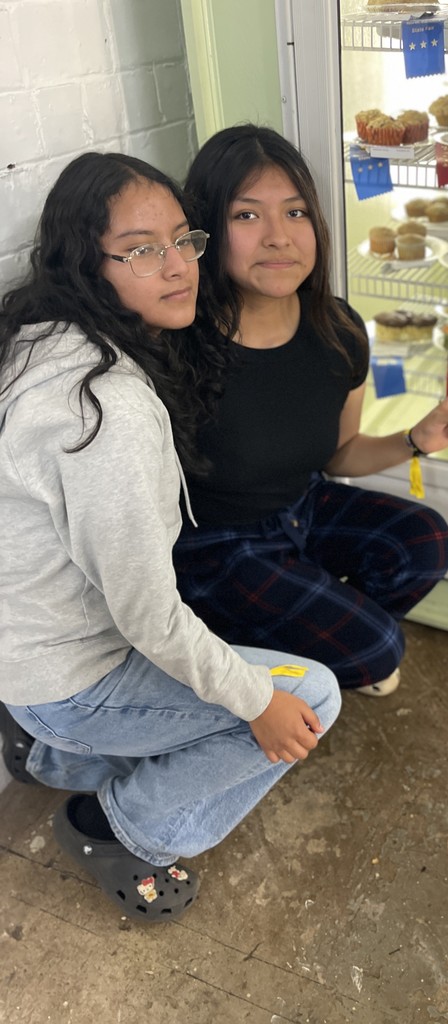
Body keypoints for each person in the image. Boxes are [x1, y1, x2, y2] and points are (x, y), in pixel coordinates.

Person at [0, 151, 341, 921]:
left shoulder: (42, 336)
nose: (178, 266)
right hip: (71, 673)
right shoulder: (106, 409)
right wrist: (259, 703)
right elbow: (148, 616)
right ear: (87, 261)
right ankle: (119, 830)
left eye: (182, 240)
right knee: (310, 696)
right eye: (141, 250)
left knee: (233, 667)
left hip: (34, 651)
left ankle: (48, 752)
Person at [174, 124, 448, 697]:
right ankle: (232, 661)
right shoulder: (180, 342)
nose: (278, 238)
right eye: (246, 216)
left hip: (300, 508)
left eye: (294, 213)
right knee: (379, 648)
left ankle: (292, 632)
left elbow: (340, 452)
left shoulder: (337, 329)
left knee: (425, 542)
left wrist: (414, 439)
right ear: (207, 231)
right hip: (212, 546)